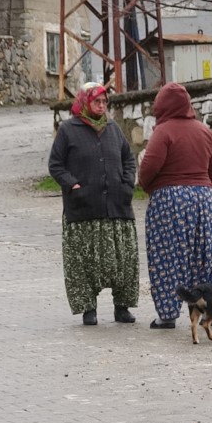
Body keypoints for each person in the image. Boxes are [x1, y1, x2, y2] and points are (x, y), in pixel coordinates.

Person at [48, 83, 139, 326]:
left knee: (123, 262)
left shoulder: (113, 128)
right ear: (85, 102)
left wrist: (127, 182)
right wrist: (73, 185)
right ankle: (89, 309)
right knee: (84, 264)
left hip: (117, 207)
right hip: (83, 209)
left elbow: (128, 158)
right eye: (97, 102)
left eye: (104, 102)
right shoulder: (68, 130)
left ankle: (122, 307)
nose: (102, 106)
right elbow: (56, 165)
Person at [137, 82, 212, 329]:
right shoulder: (204, 131)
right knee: (206, 255)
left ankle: (167, 314)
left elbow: (149, 168)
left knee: (168, 257)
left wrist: (149, 186)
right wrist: (205, 190)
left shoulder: (163, 132)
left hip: (170, 201)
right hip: (203, 198)